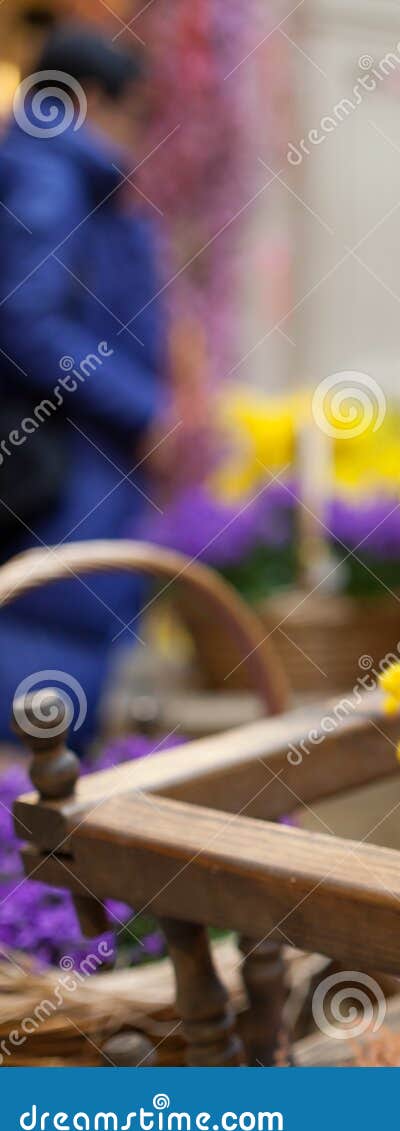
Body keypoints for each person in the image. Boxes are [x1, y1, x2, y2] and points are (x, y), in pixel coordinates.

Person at [0, 25, 172, 747]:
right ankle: (42, 853)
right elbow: (26, 320)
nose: (138, 134)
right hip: (62, 467)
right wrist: (148, 406)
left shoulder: (57, 171)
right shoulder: (48, 174)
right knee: (48, 659)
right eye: (134, 111)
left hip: (72, 459)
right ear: (91, 97)